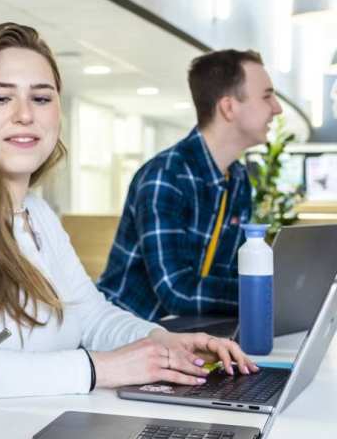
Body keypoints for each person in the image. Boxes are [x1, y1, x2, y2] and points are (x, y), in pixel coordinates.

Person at [0, 22, 255, 399]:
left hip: (54, 426)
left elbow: (92, 316)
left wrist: (163, 342)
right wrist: (100, 367)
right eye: (1, 98)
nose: (25, 115)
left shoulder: (37, 212)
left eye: (41, 98)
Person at [99, 48, 282, 321]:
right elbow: (178, 292)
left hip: (190, 334)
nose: (277, 108)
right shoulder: (164, 176)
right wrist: (264, 293)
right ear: (229, 107)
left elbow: (230, 274)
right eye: (267, 96)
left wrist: (269, 290)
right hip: (128, 337)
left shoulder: (239, 180)